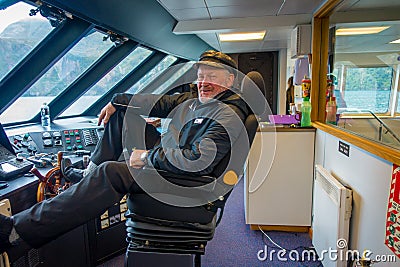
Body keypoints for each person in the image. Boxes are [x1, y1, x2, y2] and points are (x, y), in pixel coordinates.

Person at [0, 50, 250, 252]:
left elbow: (198, 160)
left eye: (212, 77)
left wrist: (146, 157)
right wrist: (116, 100)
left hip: (189, 183)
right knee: (123, 114)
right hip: (174, 163)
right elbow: (156, 102)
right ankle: (89, 174)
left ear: (229, 81)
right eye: (201, 76)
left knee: (112, 173)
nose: (203, 83)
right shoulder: (196, 100)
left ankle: (16, 231)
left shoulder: (228, 114)